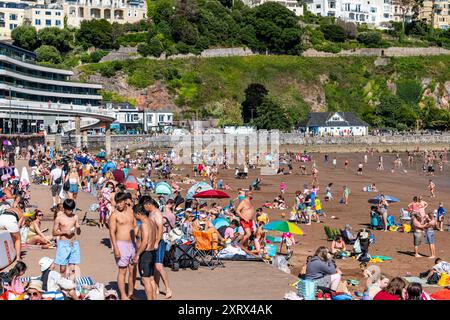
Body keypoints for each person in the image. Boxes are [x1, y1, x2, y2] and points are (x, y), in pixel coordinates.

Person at [141, 196, 172, 299]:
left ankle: (168, 289)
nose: (144, 208)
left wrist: (157, 241)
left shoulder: (157, 213)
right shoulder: (151, 213)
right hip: (153, 242)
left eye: (144, 206)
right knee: (155, 266)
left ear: (148, 204)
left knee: (159, 266)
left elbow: (160, 228)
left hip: (159, 242)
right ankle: (157, 286)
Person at [108, 192, 137, 300]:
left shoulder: (131, 211)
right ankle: (123, 295)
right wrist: (115, 248)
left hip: (132, 244)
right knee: (122, 270)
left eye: (120, 202)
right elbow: (111, 232)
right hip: (121, 244)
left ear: (125, 201)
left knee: (133, 270)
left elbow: (135, 226)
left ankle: (131, 293)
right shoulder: (114, 215)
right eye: (117, 202)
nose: (118, 205)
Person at [133, 204, 158, 300]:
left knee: (145, 279)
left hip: (146, 254)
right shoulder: (151, 221)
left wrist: (137, 255)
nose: (134, 217)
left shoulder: (144, 224)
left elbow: (145, 241)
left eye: (134, 214)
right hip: (152, 253)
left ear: (138, 214)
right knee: (151, 278)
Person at [52, 199, 81, 276]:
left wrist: (78, 228)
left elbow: (78, 233)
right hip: (63, 244)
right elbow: (54, 232)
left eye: (72, 209)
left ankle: (71, 284)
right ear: (64, 208)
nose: (70, 211)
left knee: (72, 268)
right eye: (69, 209)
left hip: (73, 243)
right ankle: (63, 284)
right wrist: (65, 232)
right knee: (62, 268)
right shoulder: (59, 218)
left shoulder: (75, 217)